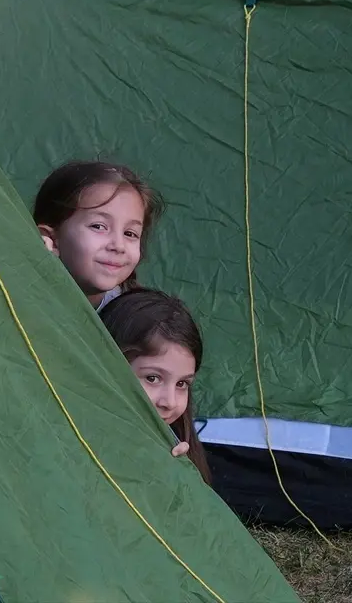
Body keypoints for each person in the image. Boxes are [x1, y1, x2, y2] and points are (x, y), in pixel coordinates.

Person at [99, 288, 211, 483]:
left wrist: (176, 478)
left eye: (182, 383)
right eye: (152, 378)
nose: (170, 402)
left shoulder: (176, 450)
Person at [33, 161, 164, 310]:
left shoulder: (134, 317)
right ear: (51, 238)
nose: (118, 246)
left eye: (130, 233)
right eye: (98, 226)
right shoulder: (17, 288)